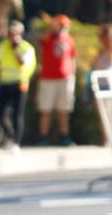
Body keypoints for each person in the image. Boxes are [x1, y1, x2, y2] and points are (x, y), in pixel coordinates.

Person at [0, 21, 36, 153]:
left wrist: (16, 48)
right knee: (1, 114)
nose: (12, 37)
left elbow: (22, 63)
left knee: (17, 114)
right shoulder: (4, 46)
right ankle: (10, 136)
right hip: (5, 82)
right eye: (10, 34)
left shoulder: (26, 48)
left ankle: (16, 142)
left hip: (20, 83)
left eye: (15, 34)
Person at [37, 14, 77, 146]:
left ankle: (65, 136)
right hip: (48, 78)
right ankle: (42, 137)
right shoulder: (48, 38)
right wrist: (52, 28)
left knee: (64, 110)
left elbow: (72, 58)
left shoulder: (69, 39)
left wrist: (73, 74)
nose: (62, 28)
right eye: (60, 25)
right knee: (46, 110)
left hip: (65, 79)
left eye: (64, 25)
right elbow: (42, 41)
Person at [88, 23, 112, 145]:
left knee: (107, 112)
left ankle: (109, 139)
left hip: (108, 84)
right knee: (101, 113)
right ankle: (105, 138)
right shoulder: (101, 51)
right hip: (98, 84)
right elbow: (93, 65)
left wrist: (109, 34)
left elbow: (111, 43)